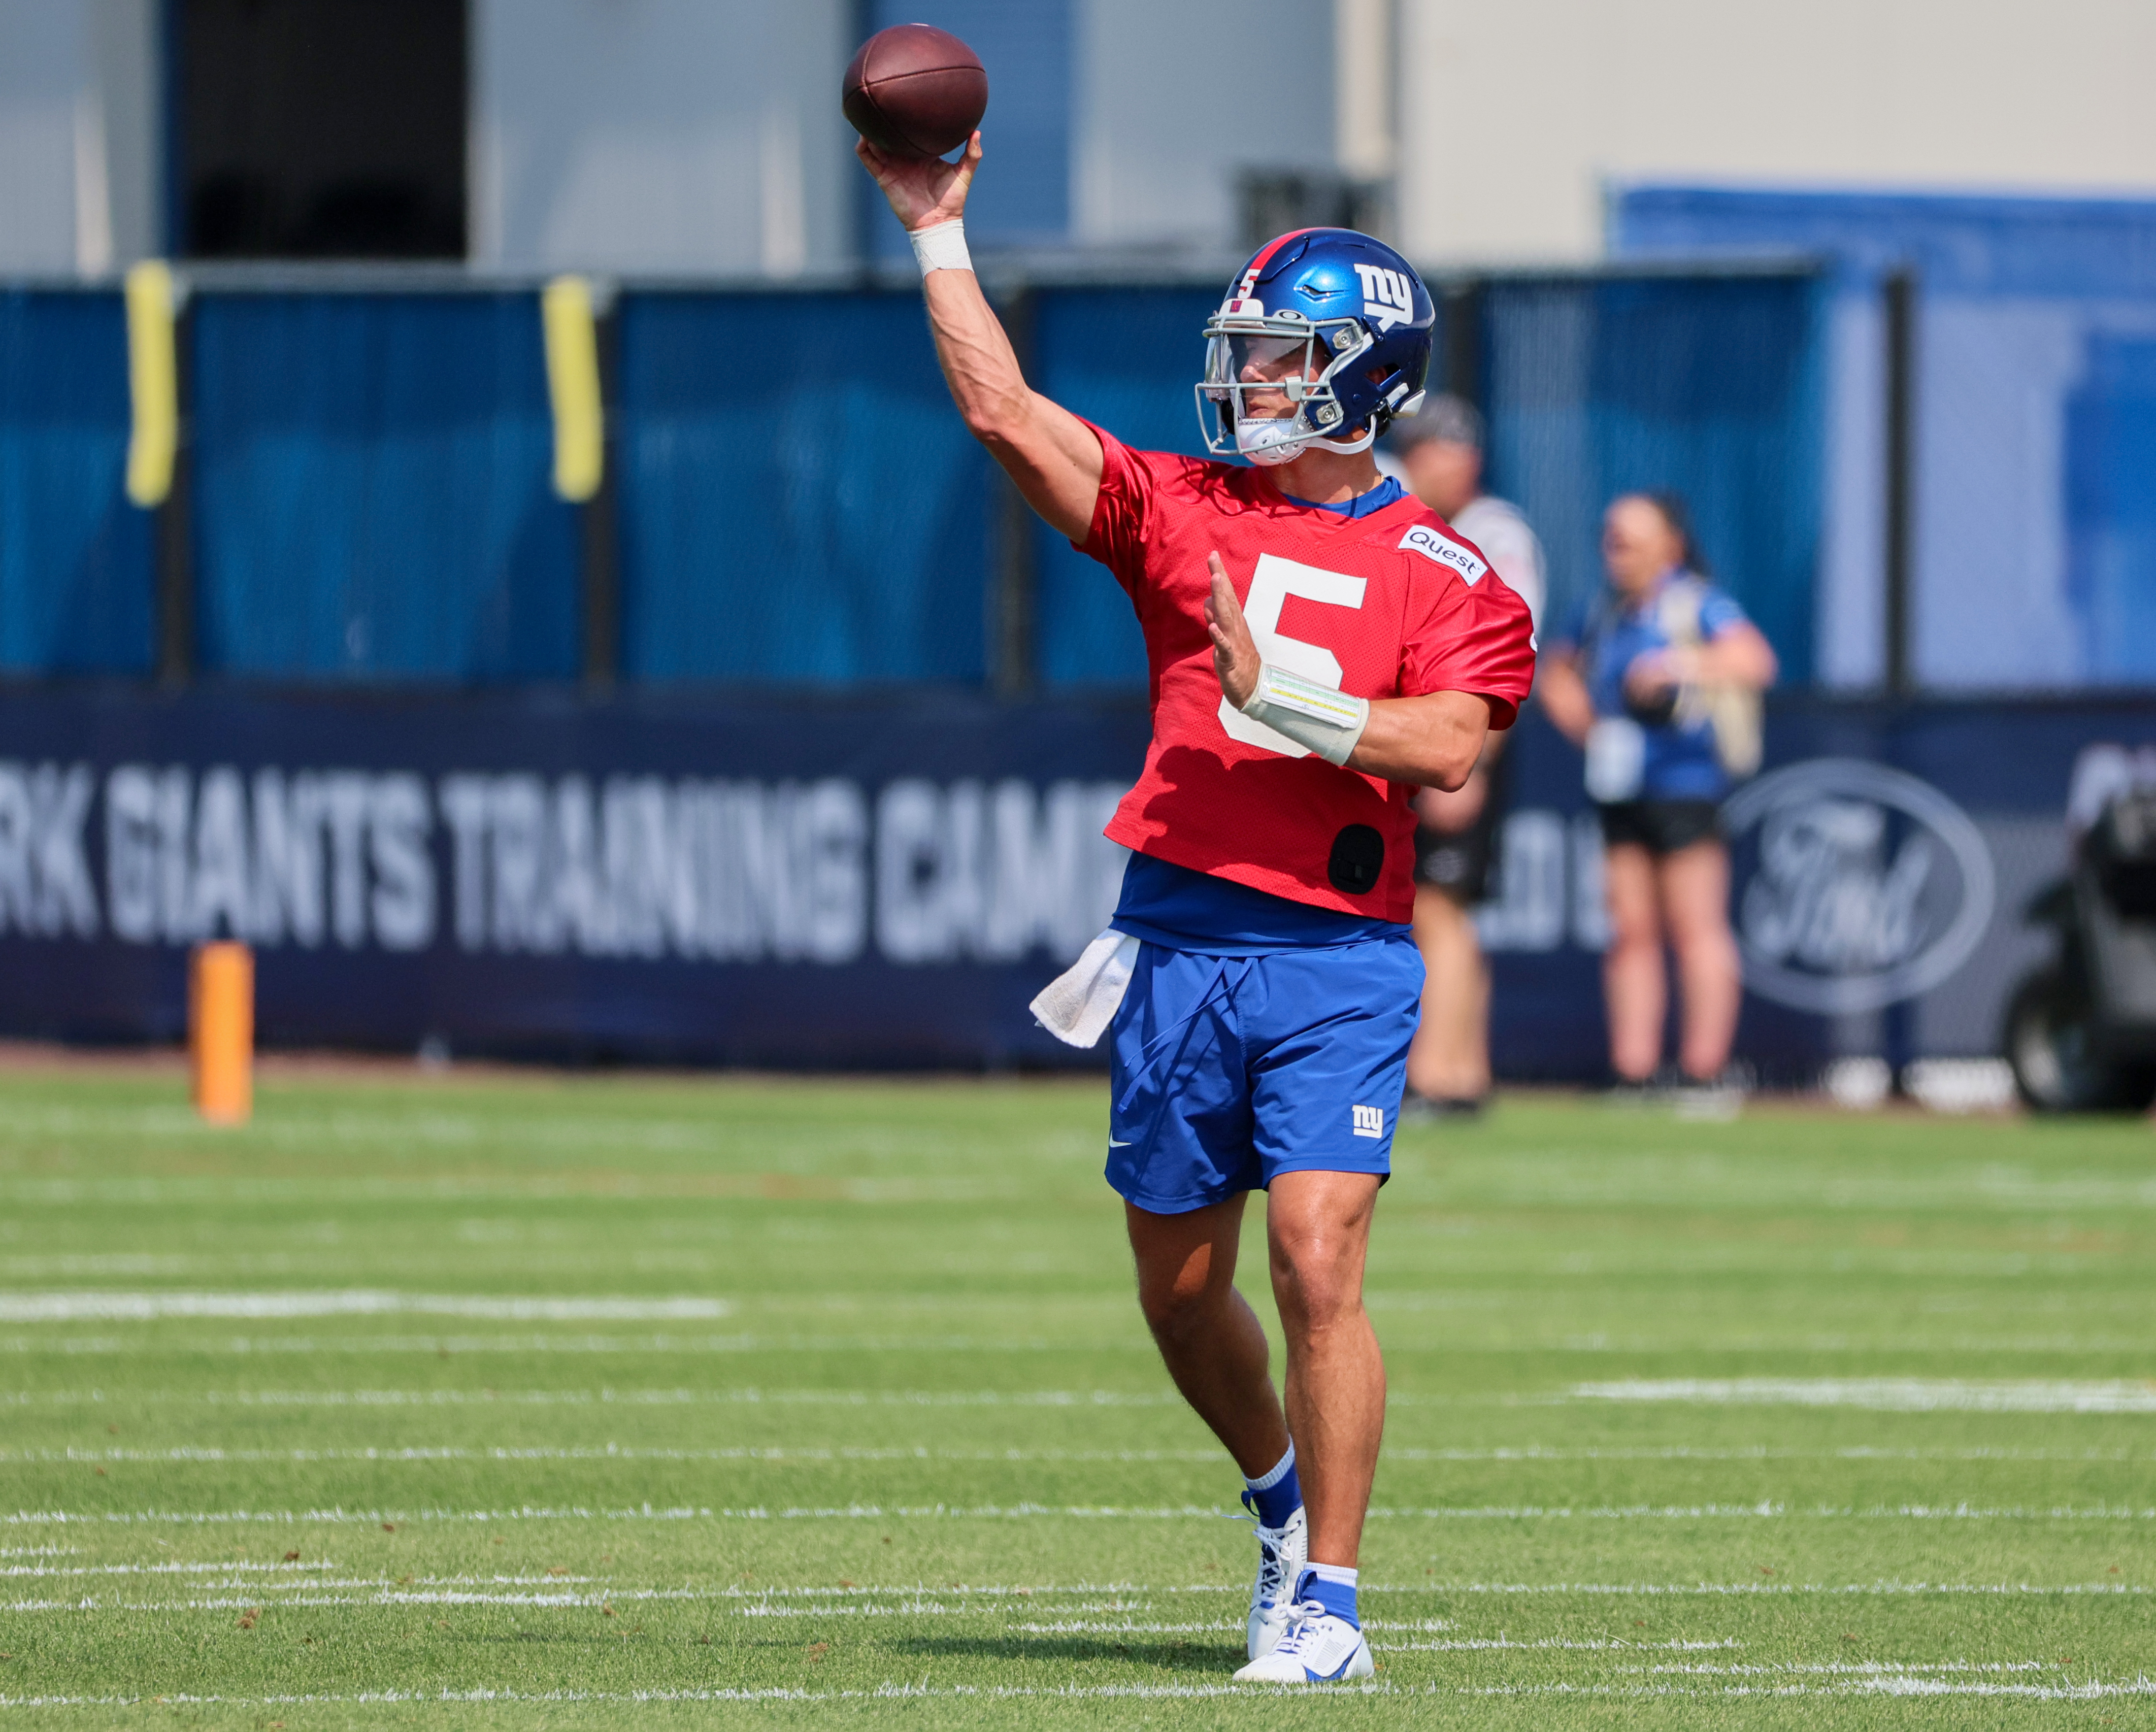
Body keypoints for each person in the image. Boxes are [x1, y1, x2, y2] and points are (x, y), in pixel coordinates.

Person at [857, 134, 1535, 1683]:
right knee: (1178, 1294)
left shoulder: (1445, 572)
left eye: (1283, 355)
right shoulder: (1182, 510)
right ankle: (1278, 1504)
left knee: (1317, 1255)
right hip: (1175, 941)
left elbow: (1443, 745)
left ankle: (1333, 1609)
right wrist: (935, 235)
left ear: (1365, 380)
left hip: (1334, 957)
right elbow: (1002, 416)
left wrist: (1283, 694)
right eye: (1246, 350)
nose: (1249, 380)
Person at [1537, 492, 1777, 1097]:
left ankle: (1703, 1069)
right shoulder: (1601, 610)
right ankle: (1634, 1069)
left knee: (1696, 928)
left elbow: (1754, 659)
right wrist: (1590, 729)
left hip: (1685, 787)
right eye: (1611, 541)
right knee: (1630, 929)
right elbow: (1557, 674)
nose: (1616, 554)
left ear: (1668, 546)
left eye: (1630, 542)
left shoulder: (1695, 603)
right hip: (1622, 786)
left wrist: (1678, 666)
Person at [1382, 396, 1545, 1114]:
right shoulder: (1423, 524)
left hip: (1464, 745)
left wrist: (1472, 765)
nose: (1414, 469)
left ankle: (1437, 1076)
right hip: (1432, 741)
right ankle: (1464, 1072)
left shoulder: (1493, 534)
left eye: (1429, 454)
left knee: (1434, 911)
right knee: (1443, 913)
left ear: (1464, 459)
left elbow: (1509, 661)